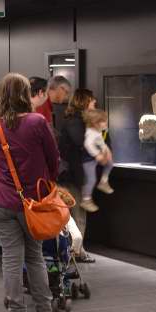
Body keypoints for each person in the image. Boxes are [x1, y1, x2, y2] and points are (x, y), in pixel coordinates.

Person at [0, 73, 58, 312]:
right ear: (26, 94)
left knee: (11, 259)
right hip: (33, 204)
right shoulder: (38, 122)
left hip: (0, 202)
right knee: (35, 256)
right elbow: (53, 160)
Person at [59, 88, 96, 262]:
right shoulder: (75, 122)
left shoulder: (72, 121)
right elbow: (83, 143)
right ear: (84, 101)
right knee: (78, 215)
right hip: (74, 176)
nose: (95, 104)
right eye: (92, 100)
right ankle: (78, 252)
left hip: (72, 174)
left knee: (74, 215)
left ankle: (73, 250)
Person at [81, 109, 115, 212]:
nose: (106, 123)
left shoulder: (97, 131)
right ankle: (86, 200)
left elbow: (101, 142)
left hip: (96, 157)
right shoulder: (91, 133)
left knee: (110, 164)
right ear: (95, 123)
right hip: (88, 160)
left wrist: (106, 150)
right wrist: (97, 155)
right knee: (91, 179)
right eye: (103, 121)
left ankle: (103, 182)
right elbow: (88, 144)